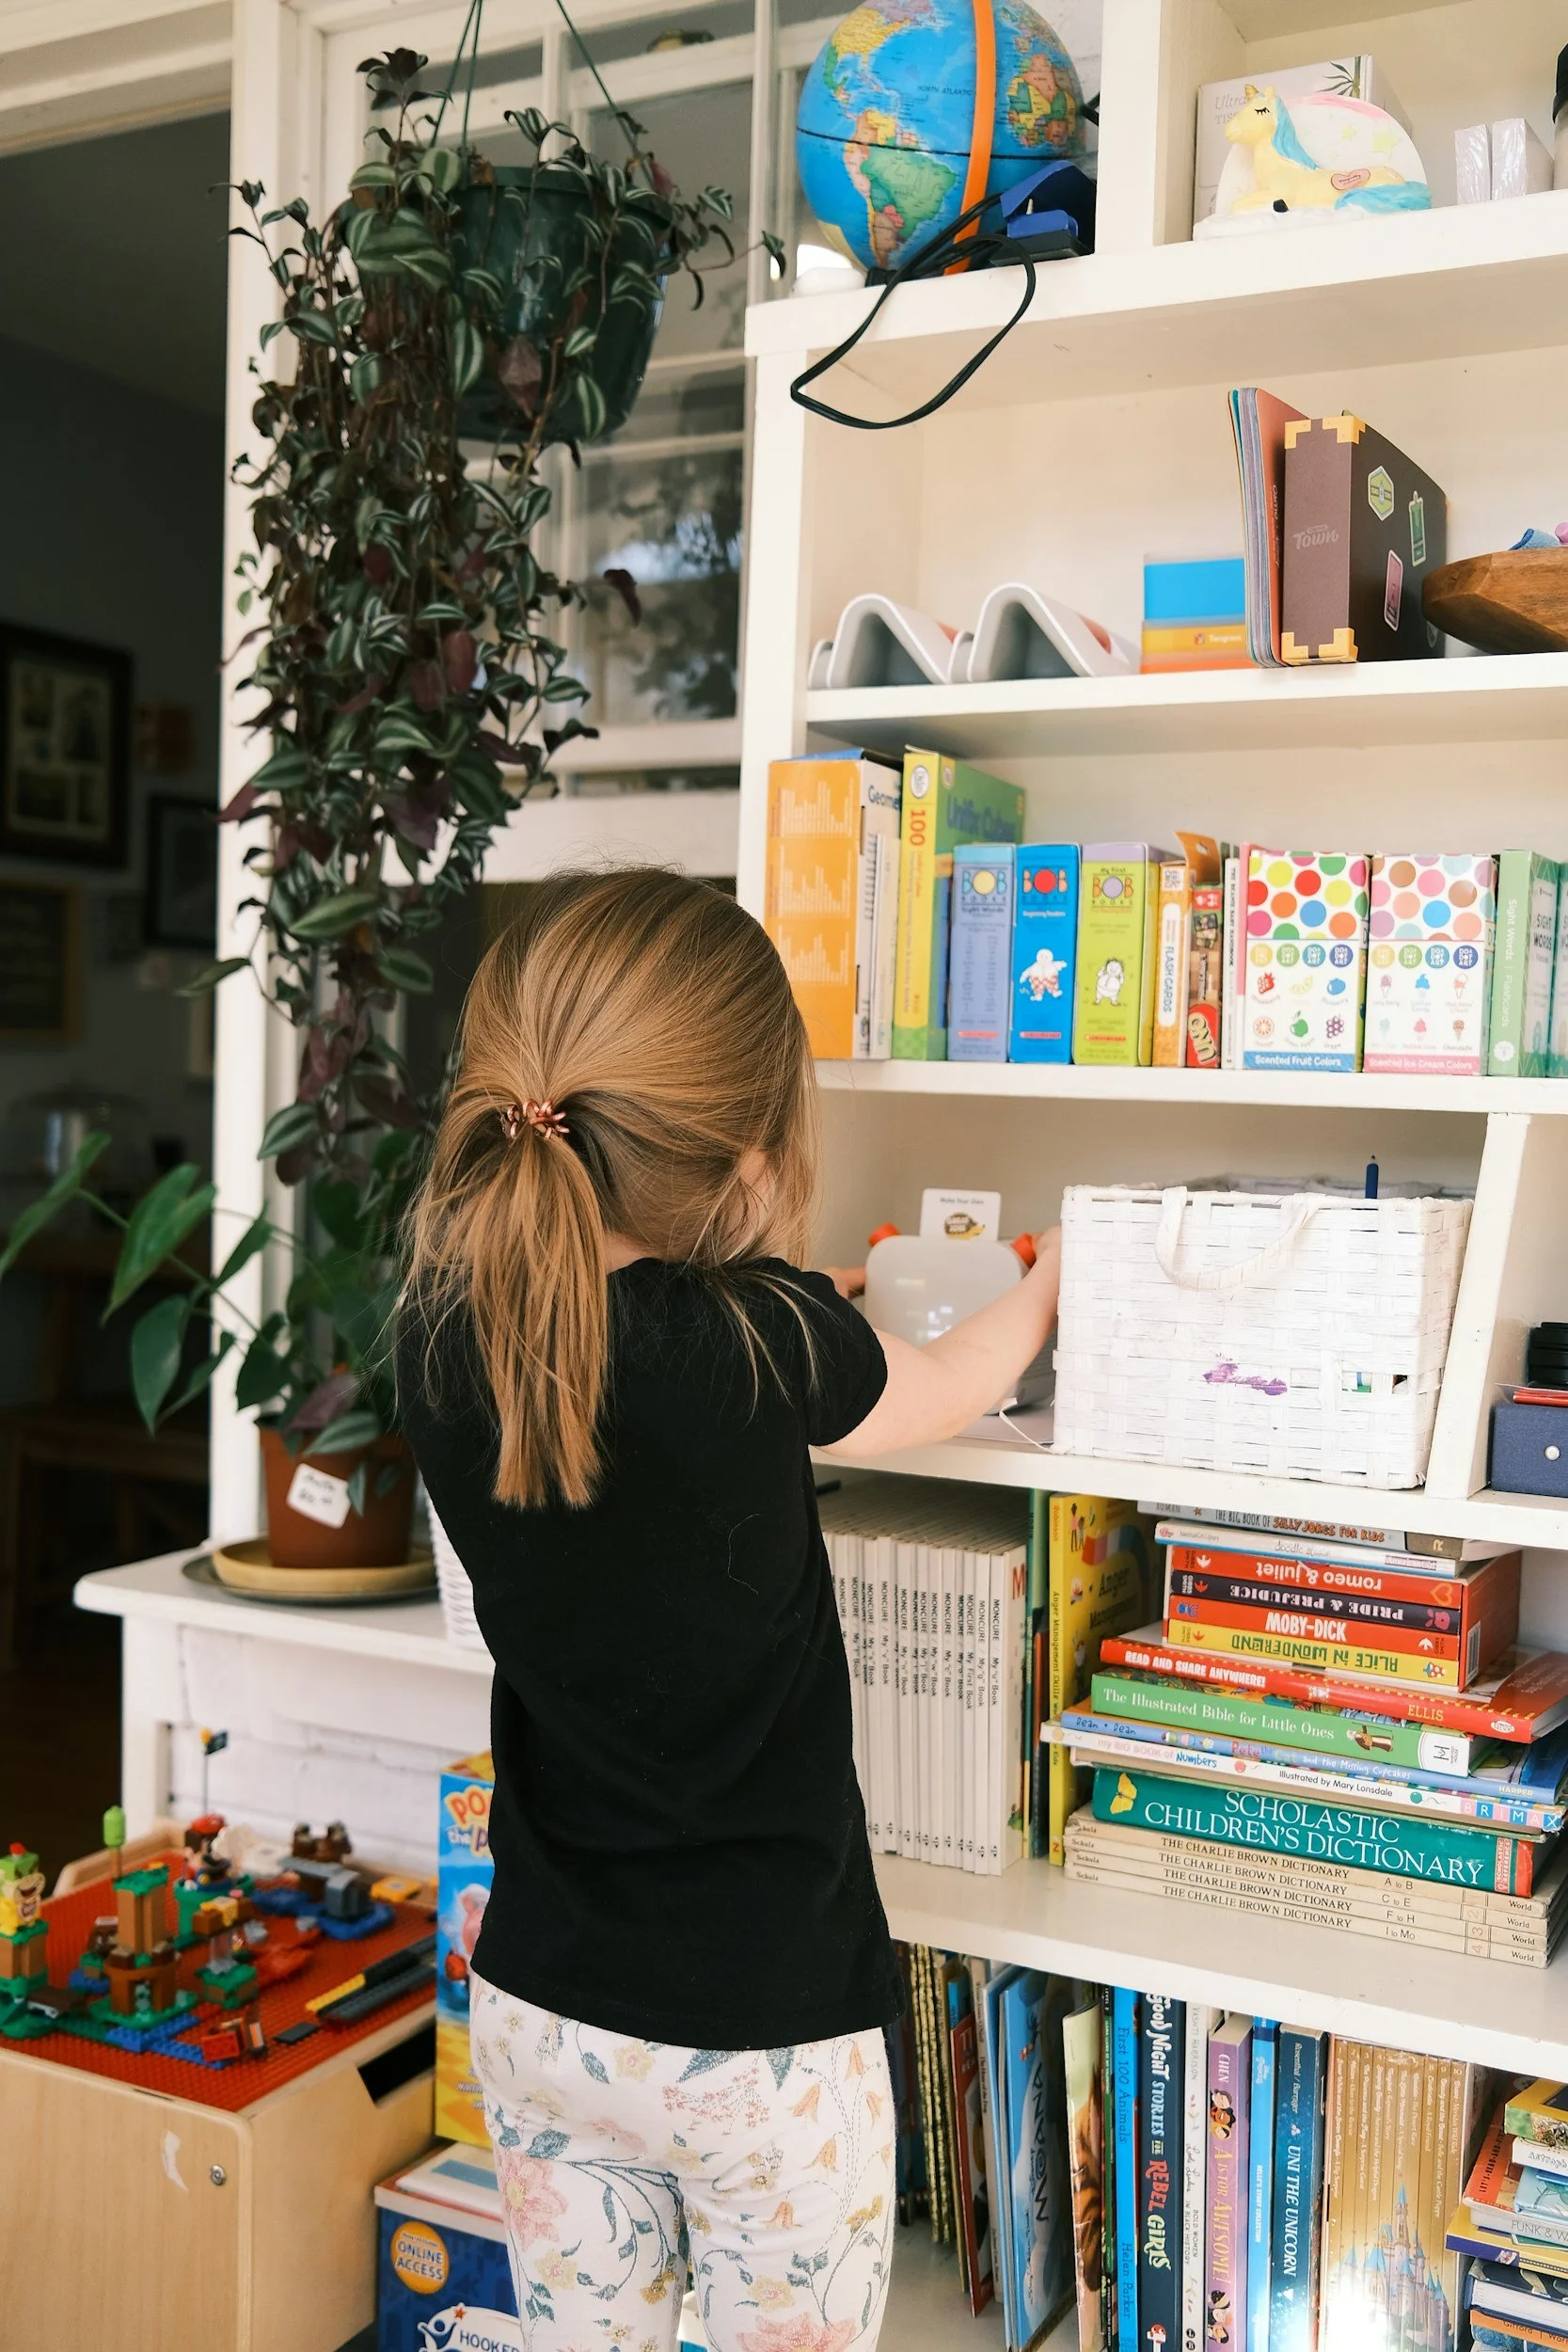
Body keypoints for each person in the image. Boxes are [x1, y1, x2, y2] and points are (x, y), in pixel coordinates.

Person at [398, 869, 1062, 2352]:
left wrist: (793, 1301)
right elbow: (958, 1381)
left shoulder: (444, 1331)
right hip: (767, 2043)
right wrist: (1044, 1283)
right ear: (753, 1152)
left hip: (540, 2005)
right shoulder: (767, 1340)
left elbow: (647, 1351)